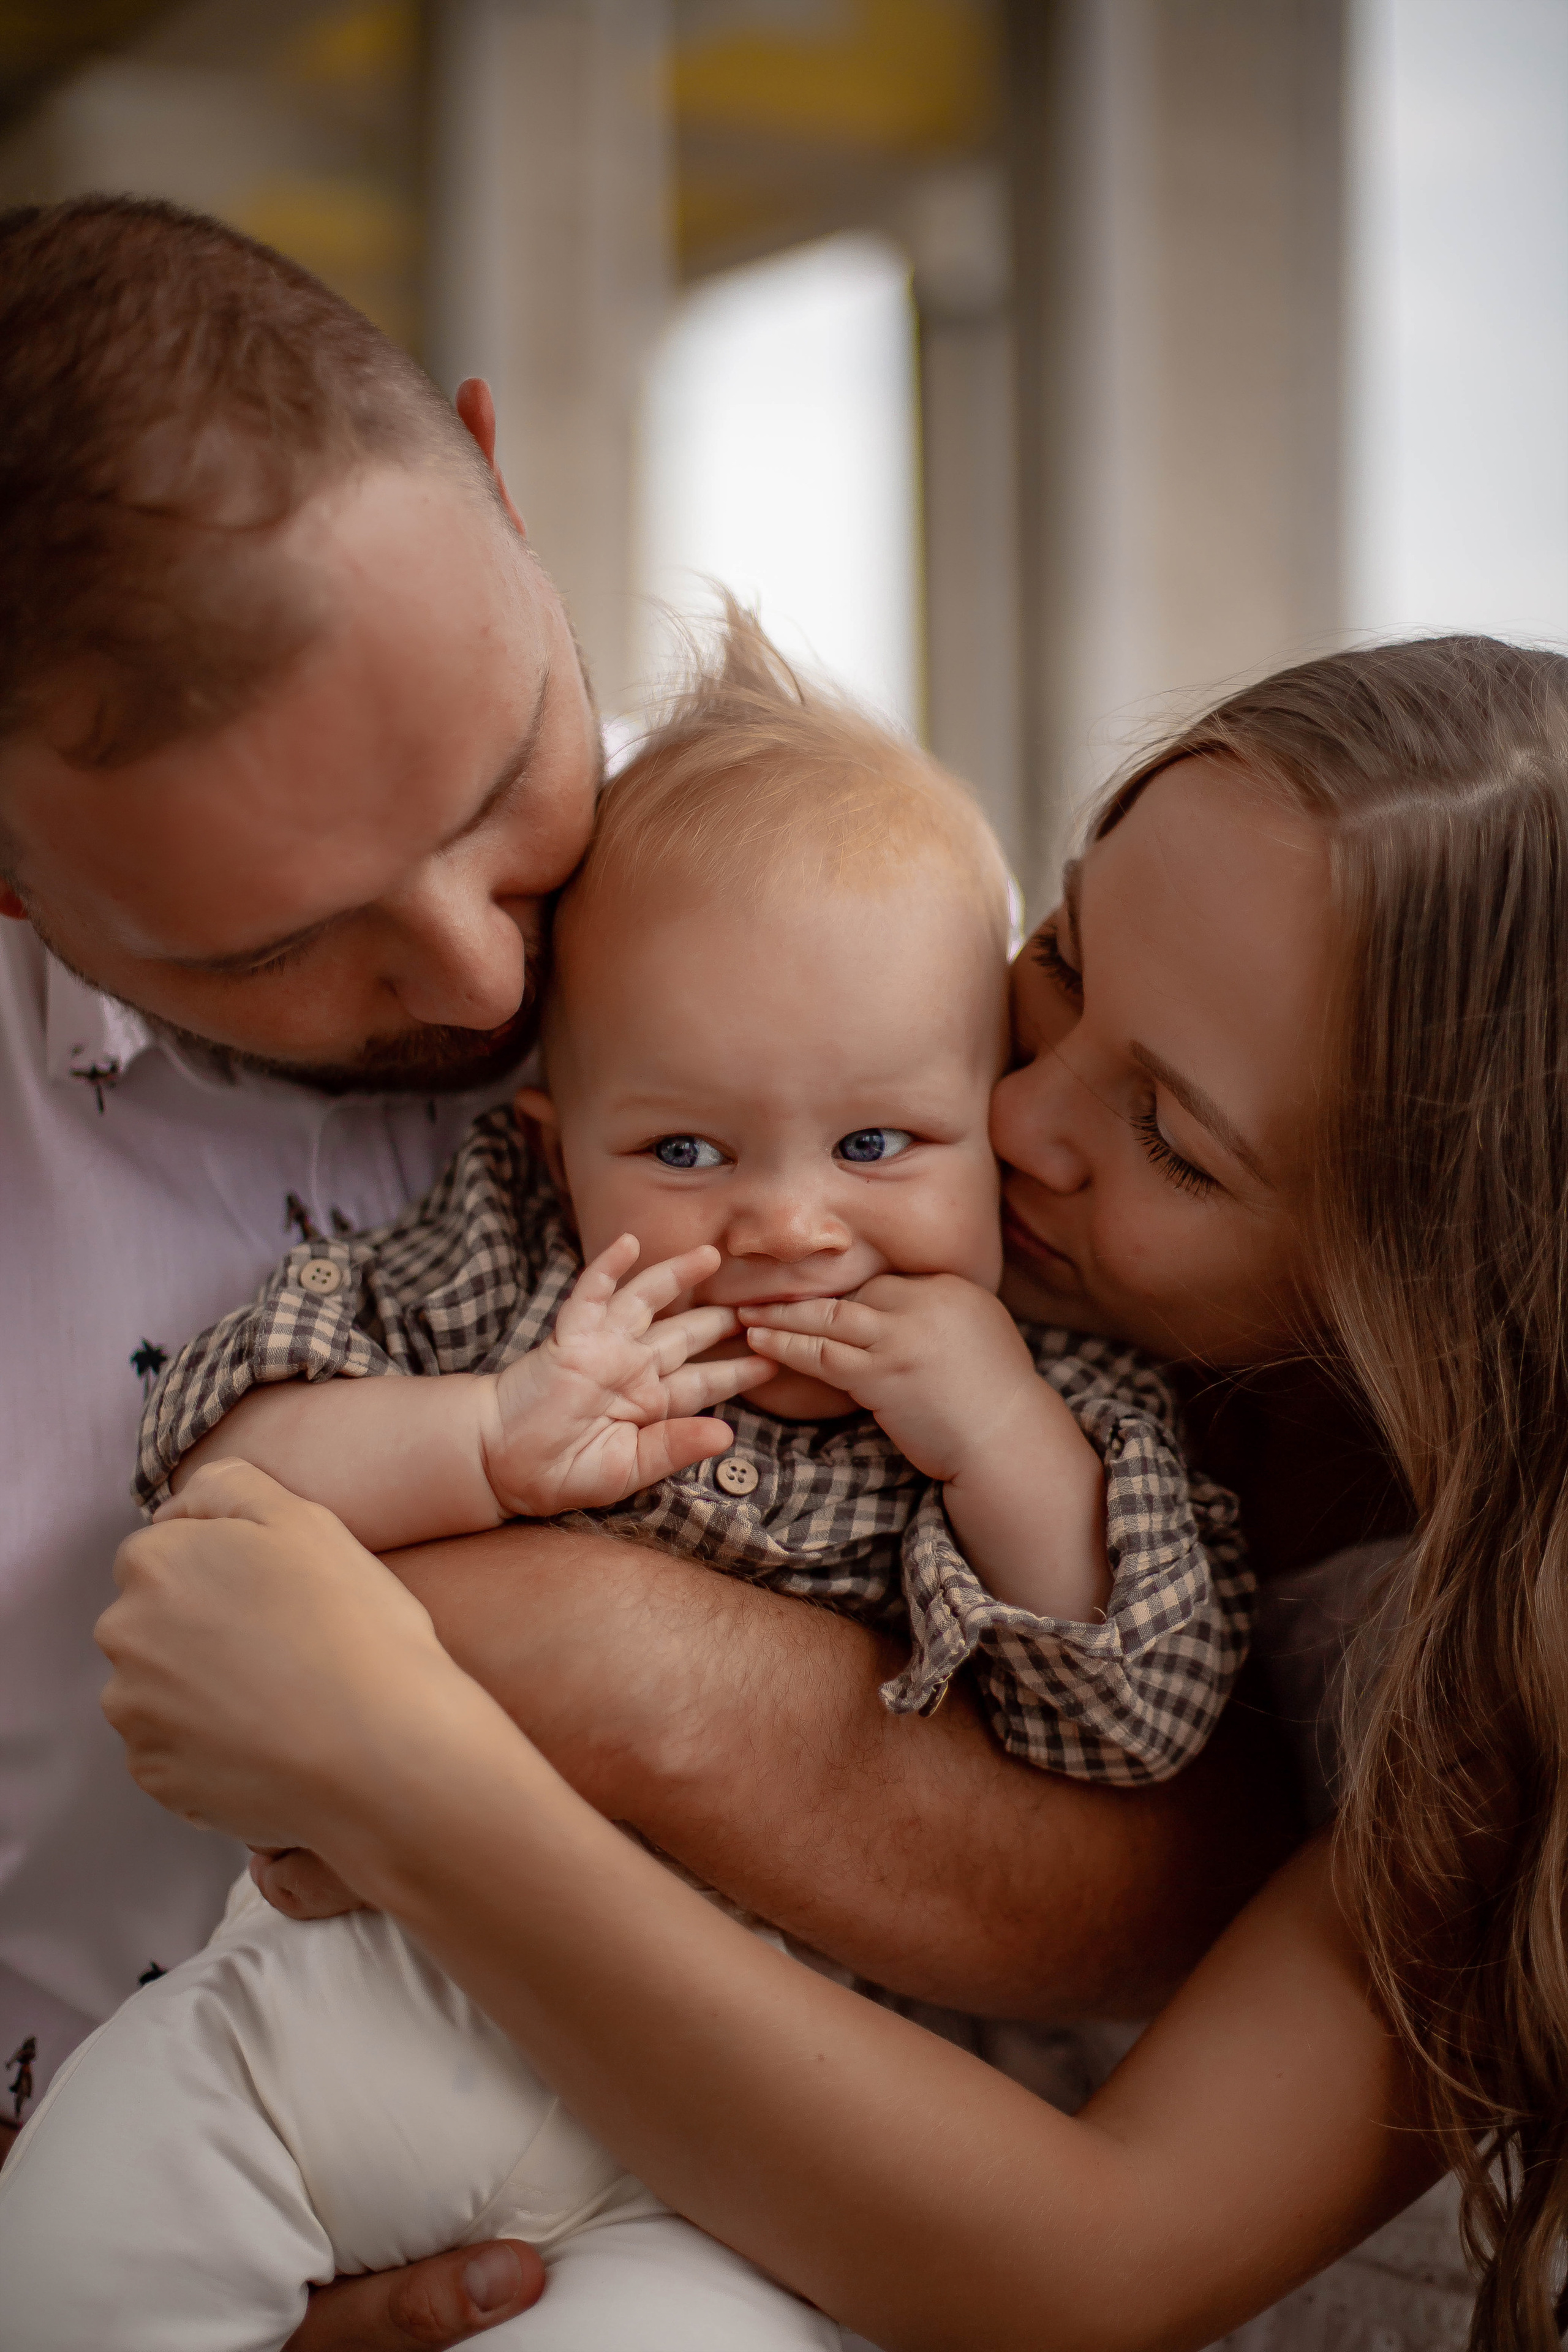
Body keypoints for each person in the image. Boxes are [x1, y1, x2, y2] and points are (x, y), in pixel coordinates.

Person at [0, 195, 1297, 2348]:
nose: (485, 966)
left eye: (499, 783)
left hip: (742, 2191)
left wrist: (567, 1658)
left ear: (506, 484)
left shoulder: (853, 942)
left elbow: (1197, 1834)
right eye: (281, 944)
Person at [87, 633, 1568, 2350]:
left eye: (1172, 1136)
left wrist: (413, 1773)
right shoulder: (905, 1242)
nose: (1013, 1113)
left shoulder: (1499, 1651)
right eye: (1064, 962)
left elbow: (1096, 2264)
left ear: (1437, 1271)